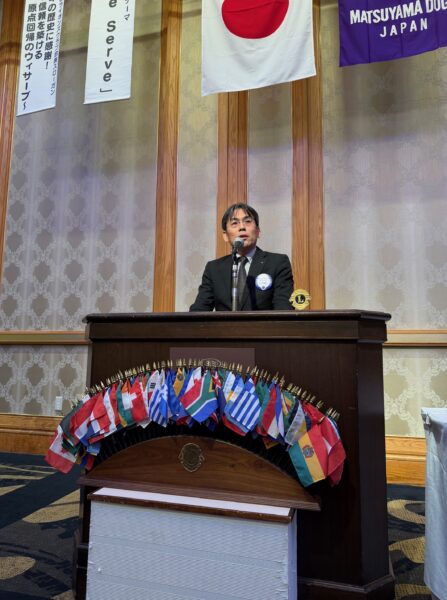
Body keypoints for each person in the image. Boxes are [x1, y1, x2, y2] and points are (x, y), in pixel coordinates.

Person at [190, 203, 294, 311]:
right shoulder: (214, 269)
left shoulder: (277, 263)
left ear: (258, 231)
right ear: (225, 236)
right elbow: (199, 310)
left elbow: (283, 308)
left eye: (247, 221)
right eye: (235, 223)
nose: (242, 227)